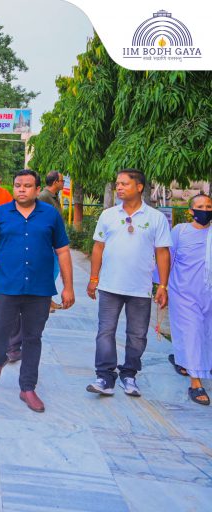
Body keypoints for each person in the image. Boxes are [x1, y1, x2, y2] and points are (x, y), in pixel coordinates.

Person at [0, 169, 74, 413]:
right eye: (18, 185)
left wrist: (68, 287)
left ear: (37, 189)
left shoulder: (50, 215)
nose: (21, 189)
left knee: (33, 337)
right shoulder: (0, 214)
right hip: (7, 286)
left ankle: (27, 387)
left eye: (27, 185)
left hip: (39, 289)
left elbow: (62, 251)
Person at [86, 169, 171, 397]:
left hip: (140, 288)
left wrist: (163, 286)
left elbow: (162, 252)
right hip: (109, 286)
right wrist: (93, 278)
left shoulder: (155, 218)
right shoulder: (108, 215)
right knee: (105, 331)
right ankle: (104, 377)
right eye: (117, 184)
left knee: (137, 335)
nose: (119, 187)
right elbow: (98, 247)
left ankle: (129, 375)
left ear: (139, 187)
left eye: (124, 183)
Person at [168, 193, 212, 405]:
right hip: (183, 293)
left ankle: (183, 360)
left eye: (209, 206)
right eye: (200, 207)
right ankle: (196, 383)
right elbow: (167, 258)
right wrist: (161, 287)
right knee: (192, 332)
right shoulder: (180, 231)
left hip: (208, 293)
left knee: (204, 334)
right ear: (191, 211)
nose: (205, 210)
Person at [38, 171, 65, 311]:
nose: (63, 183)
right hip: (47, 241)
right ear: (55, 182)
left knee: (54, 270)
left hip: (55, 240)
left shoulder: (53, 196)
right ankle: (43, 301)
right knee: (51, 270)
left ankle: (47, 299)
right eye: (62, 181)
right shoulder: (43, 197)